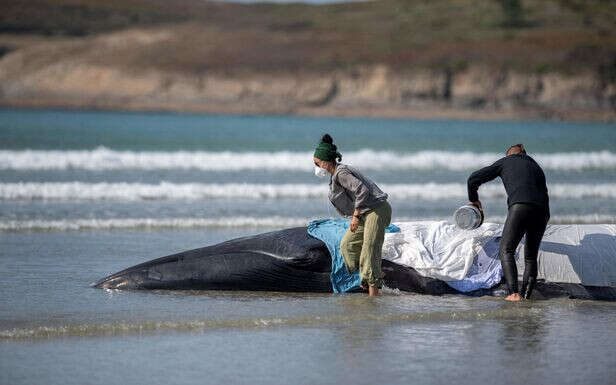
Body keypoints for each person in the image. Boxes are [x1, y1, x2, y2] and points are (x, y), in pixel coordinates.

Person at [467, 143, 550, 301]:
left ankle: (513, 293)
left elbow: (473, 179)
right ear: (524, 154)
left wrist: (474, 200)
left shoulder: (507, 161)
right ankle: (526, 296)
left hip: (520, 206)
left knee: (506, 250)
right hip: (543, 212)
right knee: (531, 257)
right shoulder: (536, 167)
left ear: (509, 155)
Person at [313, 134, 392, 296]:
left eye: (316, 163)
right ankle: (369, 276)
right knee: (347, 245)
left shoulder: (341, 173)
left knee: (369, 250)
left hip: (376, 210)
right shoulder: (336, 175)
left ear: (326, 162)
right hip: (365, 212)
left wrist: (355, 216)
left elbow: (361, 189)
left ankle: (373, 293)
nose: (315, 166)